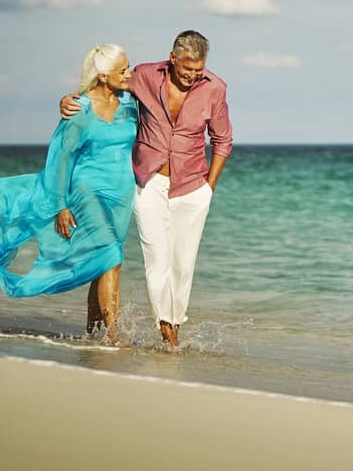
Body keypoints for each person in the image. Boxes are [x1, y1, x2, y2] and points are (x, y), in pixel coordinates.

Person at [0, 44, 139, 340]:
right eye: (123, 70)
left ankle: (93, 334)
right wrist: (60, 205)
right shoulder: (80, 109)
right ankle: (115, 337)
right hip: (86, 191)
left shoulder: (131, 103)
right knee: (112, 257)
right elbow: (60, 158)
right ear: (103, 75)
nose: (130, 73)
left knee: (101, 263)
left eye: (129, 67)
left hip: (121, 195)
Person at [62, 30, 231, 347]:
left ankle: (176, 323)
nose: (193, 77)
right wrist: (73, 99)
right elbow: (106, 86)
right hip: (149, 181)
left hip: (193, 185)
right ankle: (165, 329)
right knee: (156, 258)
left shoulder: (215, 88)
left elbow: (222, 141)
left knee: (183, 264)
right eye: (186, 70)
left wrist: (209, 187)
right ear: (173, 59)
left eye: (198, 71)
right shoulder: (143, 76)